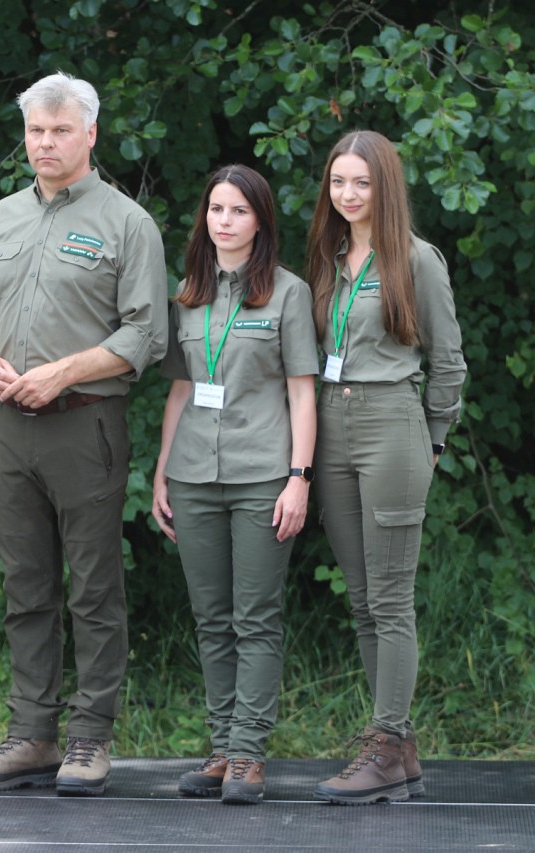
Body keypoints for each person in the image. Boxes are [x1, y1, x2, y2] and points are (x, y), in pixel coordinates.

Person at [0, 72, 168, 797]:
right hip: (8, 426)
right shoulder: (1, 217)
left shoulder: (127, 224)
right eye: (36, 131)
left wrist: (64, 372)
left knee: (94, 589)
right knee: (25, 585)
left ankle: (89, 738)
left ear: (90, 135)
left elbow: (145, 332)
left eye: (60, 131)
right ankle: (32, 734)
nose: (45, 143)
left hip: (85, 425)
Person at [305, 130, 466, 805]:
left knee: (392, 600)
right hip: (331, 428)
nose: (348, 194)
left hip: (392, 427)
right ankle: (395, 753)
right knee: (363, 600)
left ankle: (385, 737)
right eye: (339, 182)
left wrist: (430, 440)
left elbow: (449, 360)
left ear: (385, 187)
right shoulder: (329, 257)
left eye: (361, 183)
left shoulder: (416, 259)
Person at [151, 165, 317, 805]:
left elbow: (303, 394)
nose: (225, 221)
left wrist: (299, 478)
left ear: (260, 221)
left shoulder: (287, 294)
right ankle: (221, 749)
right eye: (216, 209)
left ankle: (250, 753)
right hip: (193, 476)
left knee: (255, 618)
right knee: (211, 618)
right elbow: (182, 388)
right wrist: (163, 470)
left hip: (262, 477)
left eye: (239, 211)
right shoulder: (187, 292)